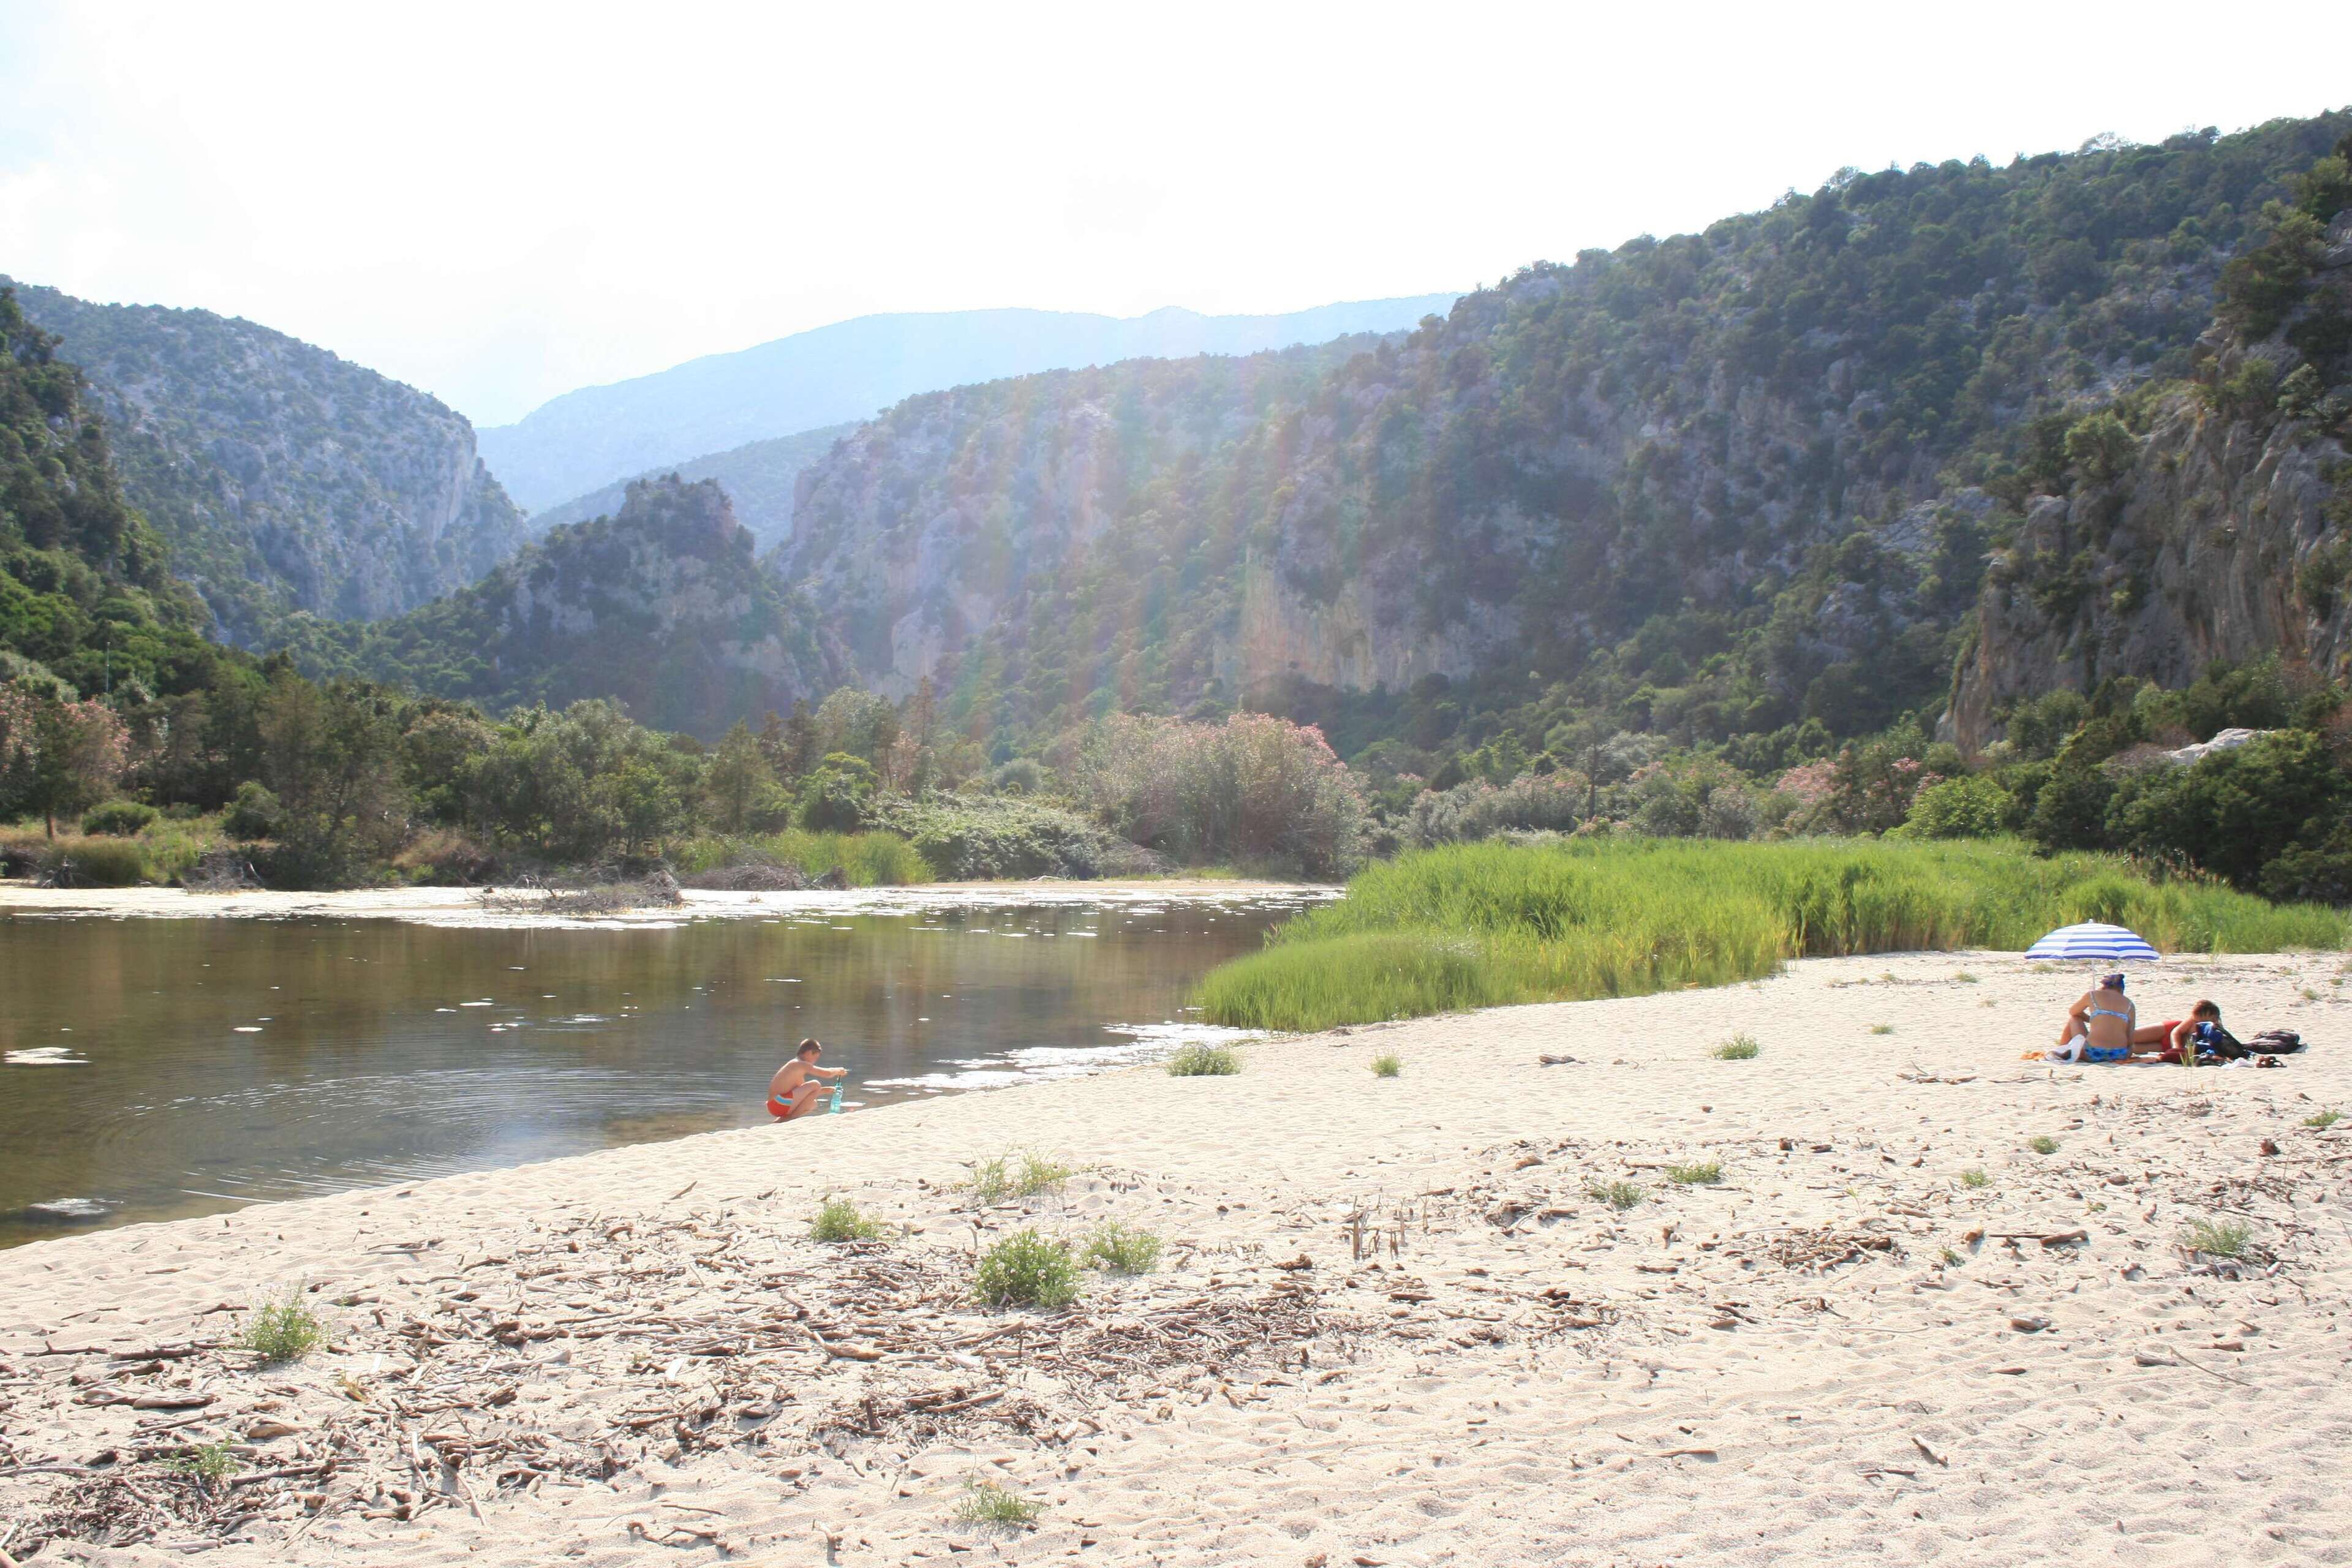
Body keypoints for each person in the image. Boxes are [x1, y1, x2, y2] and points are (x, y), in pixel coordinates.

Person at [2051, 972, 2136, 1063]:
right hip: (2119, 1054)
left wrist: (2091, 1019)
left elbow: (2073, 1011)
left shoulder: (2092, 995)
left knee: (2074, 1018)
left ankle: (2063, 1048)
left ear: (2104, 986)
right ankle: (2064, 1049)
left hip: (2092, 1053)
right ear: (2121, 989)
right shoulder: (2130, 1005)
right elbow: (2130, 1038)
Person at [767, 1038, 847, 1120]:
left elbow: (804, 1094)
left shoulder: (796, 1067)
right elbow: (827, 1074)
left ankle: (781, 1120)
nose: (814, 1062)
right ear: (809, 1053)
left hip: (775, 1106)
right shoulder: (799, 1064)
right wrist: (838, 1070)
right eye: (815, 1058)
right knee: (815, 1084)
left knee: (813, 1103)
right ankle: (790, 1118)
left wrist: (825, 1090)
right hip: (778, 1103)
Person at [2133, 1000, 2229, 1064]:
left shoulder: (2216, 1030)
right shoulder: (2193, 1020)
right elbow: (2176, 1032)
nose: (2199, 1023)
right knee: (2131, 1037)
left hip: (2168, 1047)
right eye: (2196, 1021)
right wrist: (2177, 1048)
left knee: (2132, 1048)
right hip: (2168, 1031)